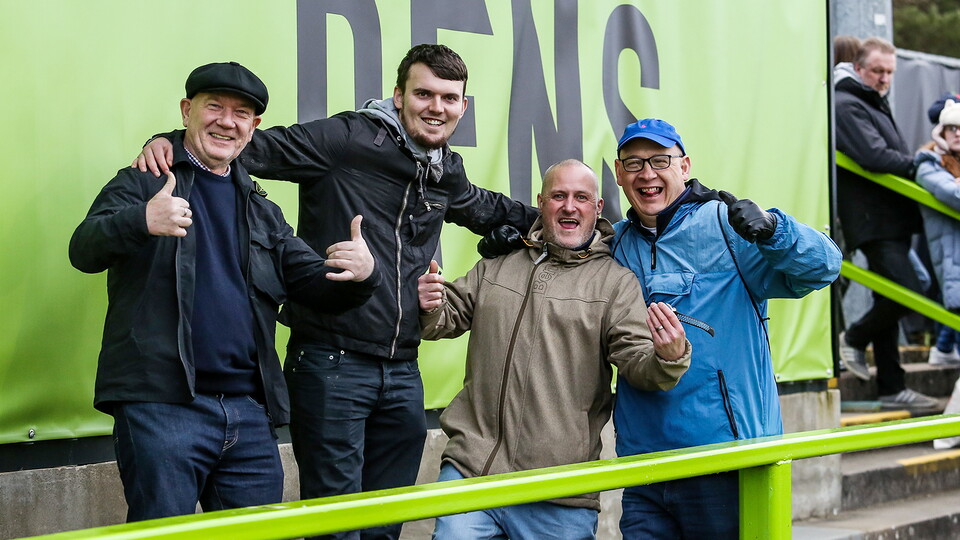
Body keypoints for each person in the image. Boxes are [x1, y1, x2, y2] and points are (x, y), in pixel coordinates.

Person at [134, 45, 537, 539]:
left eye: (449, 98)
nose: (437, 107)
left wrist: (560, 220)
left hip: (403, 371)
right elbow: (246, 145)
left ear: (463, 106)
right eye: (424, 94)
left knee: (384, 527)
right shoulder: (345, 138)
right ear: (398, 95)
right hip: (331, 363)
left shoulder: (443, 169)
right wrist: (170, 142)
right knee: (335, 529)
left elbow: (485, 208)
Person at [69, 62, 379, 522]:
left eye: (241, 114)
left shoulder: (262, 208)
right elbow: (83, 249)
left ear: (253, 129)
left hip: (250, 414)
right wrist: (140, 221)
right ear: (187, 111)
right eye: (214, 106)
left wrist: (361, 275)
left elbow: (312, 285)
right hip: (162, 407)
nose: (226, 121)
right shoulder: (144, 180)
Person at [417, 159, 691, 539]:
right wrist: (430, 303)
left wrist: (669, 356)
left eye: (581, 197)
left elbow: (639, 364)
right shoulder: (499, 262)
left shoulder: (615, 283)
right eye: (558, 196)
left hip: (559, 492)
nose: (569, 206)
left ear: (597, 209)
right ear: (541, 202)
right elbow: (446, 318)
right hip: (471, 472)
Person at [609, 118, 841, 538]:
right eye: (634, 162)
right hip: (644, 465)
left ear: (684, 166)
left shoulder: (725, 226)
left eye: (660, 159)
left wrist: (773, 229)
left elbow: (824, 267)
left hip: (726, 461)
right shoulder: (615, 244)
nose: (647, 173)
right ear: (619, 173)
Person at [834, 36, 940, 410]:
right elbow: (874, 156)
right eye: (878, 70)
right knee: (908, 290)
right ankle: (855, 338)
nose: (884, 78)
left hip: (888, 219)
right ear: (859, 68)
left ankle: (892, 387)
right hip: (872, 220)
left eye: (890, 72)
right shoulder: (847, 103)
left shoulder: (867, 101)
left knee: (891, 294)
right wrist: (918, 164)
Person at [918, 96, 960, 366]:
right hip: (952, 256)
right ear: (941, 131)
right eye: (952, 128)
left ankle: (943, 349)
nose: (957, 133)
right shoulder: (928, 163)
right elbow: (954, 194)